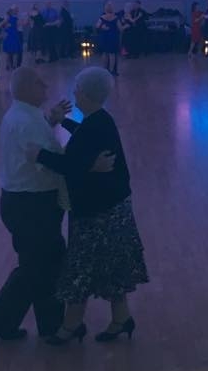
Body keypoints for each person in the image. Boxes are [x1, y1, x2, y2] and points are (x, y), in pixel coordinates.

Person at [34, 67, 148, 345]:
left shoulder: (93, 126)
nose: (74, 93)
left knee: (80, 269)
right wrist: (65, 124)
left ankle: (70, 327)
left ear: (84, 94)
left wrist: (38, 154)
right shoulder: (101, 120)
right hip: (114, 208)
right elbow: (85, 142)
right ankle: (121, 319)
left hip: (95, 212)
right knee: (112, 267)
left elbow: (70, 164)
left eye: (76, 90)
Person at [0, 68, 90, 341]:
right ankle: (1, 321)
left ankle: (51, 324)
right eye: (40, 82)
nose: (46, 85)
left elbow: (36, 151)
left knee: (48, 262)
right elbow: (47, 163)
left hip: (24, 201)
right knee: (37, 266)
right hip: (32, 204)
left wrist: (52, 121)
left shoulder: (24, 115)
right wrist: (87, 164)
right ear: (28, 88)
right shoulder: (26, 121)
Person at [95, 1, 125, 76]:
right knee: (112, 55)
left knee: (105, 53)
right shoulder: (116, 18)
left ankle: (105, 70)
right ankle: (112, 71)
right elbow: (120, 28)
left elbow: (97, 26)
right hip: (113, 37)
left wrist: (103, 27)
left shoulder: (102, 17)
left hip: (105, 37)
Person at [2, 6, 23, 72]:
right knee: (15, 52)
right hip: (14, 35)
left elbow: (4, 27)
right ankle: (14, 66)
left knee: (8, 52)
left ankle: (7, 65)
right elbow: (20, 25)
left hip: (8, 35)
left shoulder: (6, 19)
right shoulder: (15, 18)